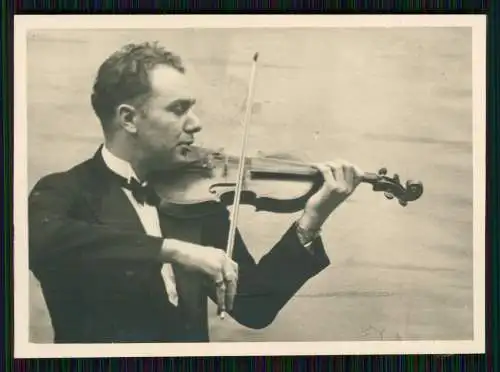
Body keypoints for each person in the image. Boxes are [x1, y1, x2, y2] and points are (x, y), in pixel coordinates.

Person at [28, 41, 363, 343]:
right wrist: (174, 250)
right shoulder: (65, 192)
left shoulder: (195, 197)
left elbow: (253, 306)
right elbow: (39, 240)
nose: (196, 123)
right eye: (178, 109)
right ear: (129, 119)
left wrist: (312, 220)